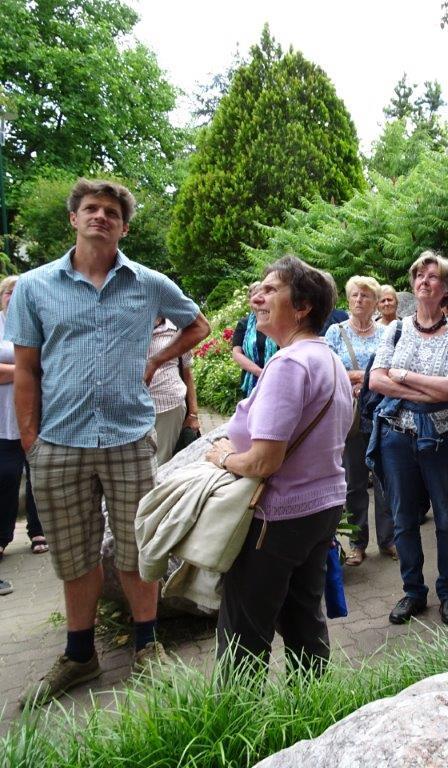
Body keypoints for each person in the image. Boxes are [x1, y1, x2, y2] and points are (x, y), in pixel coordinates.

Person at [9, 179, 209, 708]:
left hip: (128, 439)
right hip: (59, 442)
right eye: (91, 208)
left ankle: (146, 646)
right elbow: (26, 369)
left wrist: (156, 360)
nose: (101, 216)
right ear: (73, 219)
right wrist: (31, 440)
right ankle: (80, 655)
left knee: (139, 548)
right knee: (74, 556)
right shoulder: (34, 286)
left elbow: (198, 325)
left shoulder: (148, 283)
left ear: (124, 227)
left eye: (112, 212)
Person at [206, 256, 351, 674]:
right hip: (320, 509)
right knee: (304, 621)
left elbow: (264, 460)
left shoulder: (288, 364)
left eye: (270, 290)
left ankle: (237, 713)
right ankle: (313, 705)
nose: (257, 297)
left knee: (243, 635)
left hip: (277, 517)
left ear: (302, 306)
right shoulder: (328, 358)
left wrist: (223, 457)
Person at [368, 251, 448, 626]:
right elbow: (376, 380)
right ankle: (413, 592)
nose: (424, 281)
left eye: (433, 277)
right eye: (419, 276)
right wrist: (425, 389)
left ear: (447, 288)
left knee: (447, 518)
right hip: (397, 438)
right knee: (403, 519)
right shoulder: (395, 330)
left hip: (443, 438)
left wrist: (403, 377)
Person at [325, 276, 395, 565]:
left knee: (385, 480)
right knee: (354, 482)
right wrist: (368, 377)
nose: (359, 300)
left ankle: (389, 540)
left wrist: (360, 379)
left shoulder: (387, 333)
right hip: (351, 416)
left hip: (382, 413)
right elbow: (327, 368)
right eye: (354, 295)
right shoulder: (335, 332)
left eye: (365, 295)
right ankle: (357, 543)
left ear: (375, 301)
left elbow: (392, 368)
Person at [0, 276, 46, 558]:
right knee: (5, 476)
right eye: (9, 292)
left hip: (39, 414)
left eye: (19, 292)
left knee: (39, 476)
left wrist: (11, 370)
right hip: (4, 418)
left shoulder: (37, 323)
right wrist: (27, 370)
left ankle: (38, 530)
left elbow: (48, 364)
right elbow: (36, 367)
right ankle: (2, 535)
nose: (14, 297)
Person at [147, 317, 201, 465]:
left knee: (162, 462)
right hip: (134, 409)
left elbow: (187, 373)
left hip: (170, 409)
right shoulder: (130, 325)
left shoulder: (176, 329)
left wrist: (193, 414)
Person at [232, 282, 278, 398]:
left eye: (263, 295)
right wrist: (260, 373)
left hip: (278, 378)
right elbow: (237, 354)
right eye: (255, 295)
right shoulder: (244, 323)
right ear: (250, 301)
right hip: (252, 381)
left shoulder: (277, 321)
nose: (259, 299)